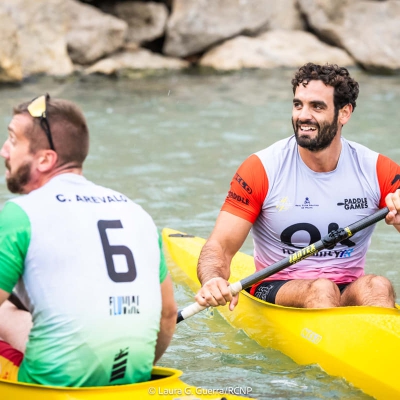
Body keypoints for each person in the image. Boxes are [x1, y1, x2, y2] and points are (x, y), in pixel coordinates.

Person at [0, 94, 177, 386]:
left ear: (45, 159)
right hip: (134, 376)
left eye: (12, 140)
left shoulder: (20, 214)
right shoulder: (137, 213)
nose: (4, 151)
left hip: (52, 383)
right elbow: (167, 315)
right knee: (12, 312)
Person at [195, 63, 400, 311]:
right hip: (275, 286)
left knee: (378, 286)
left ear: (344, 113)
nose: (303, 116)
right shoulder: (262, 169)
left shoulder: (377, 170)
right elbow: (220, 246)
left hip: (348, 287)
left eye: (317, 106)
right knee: (321, 289)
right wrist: (213, 279)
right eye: (298, 105)